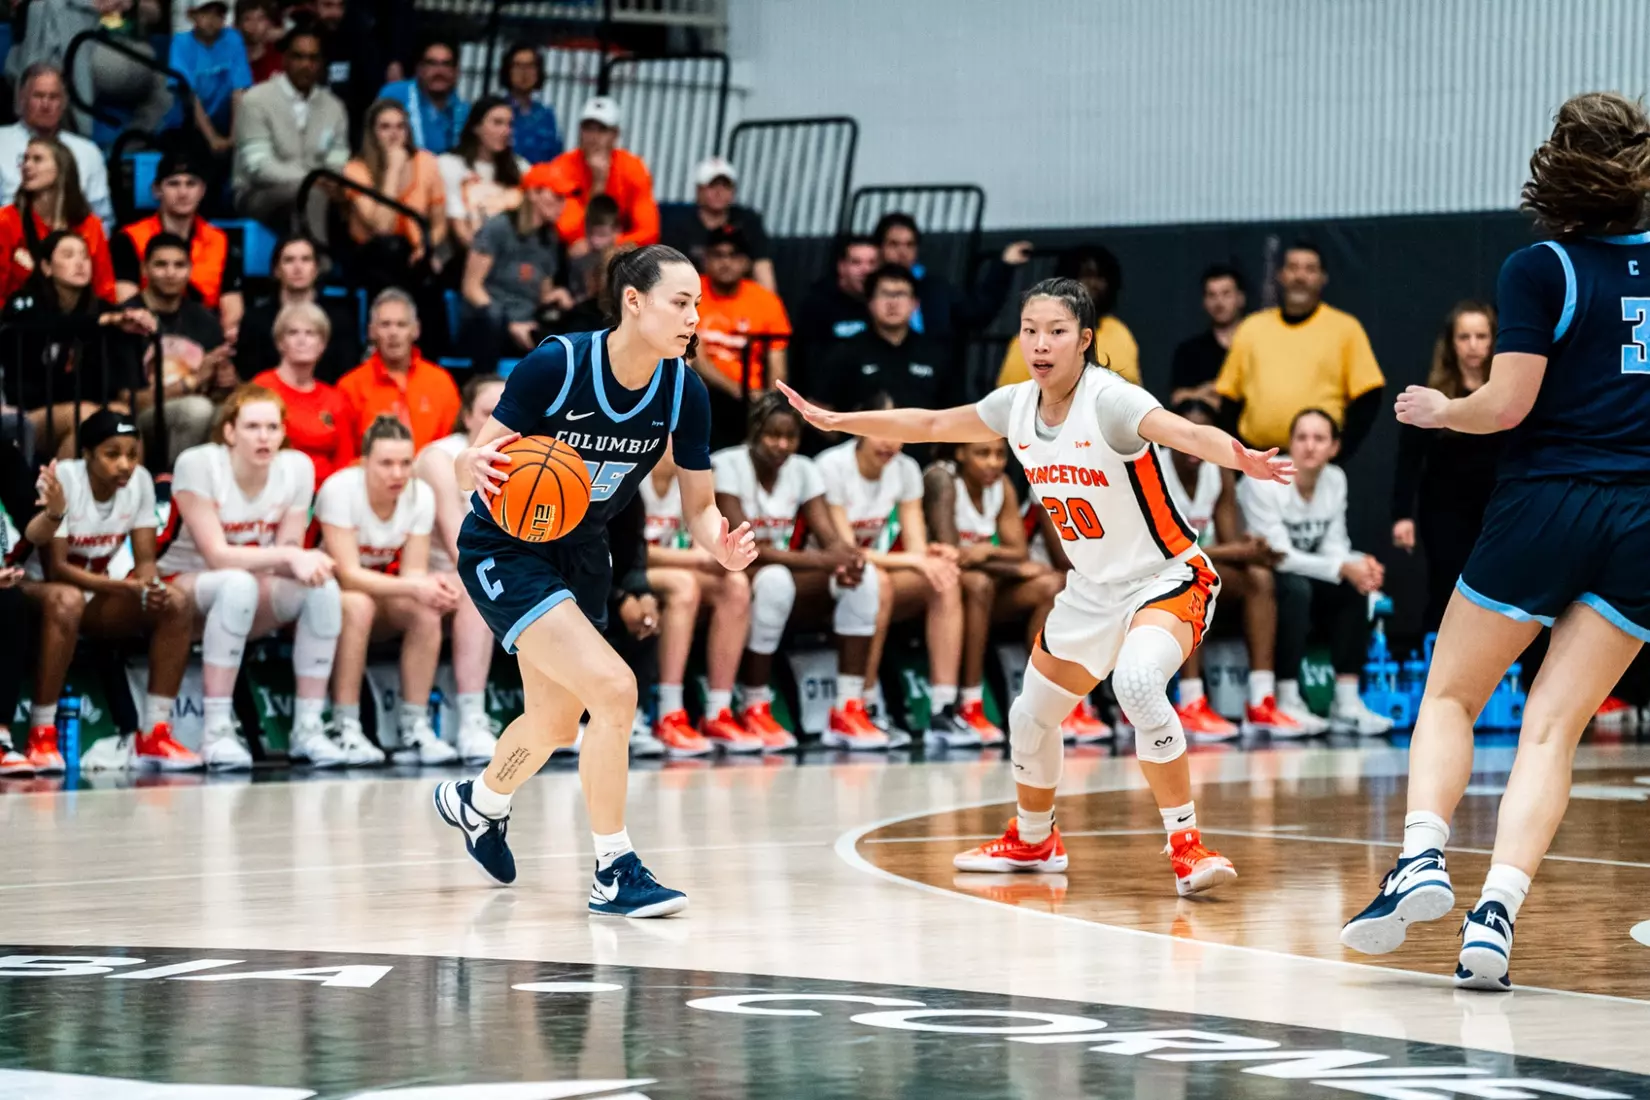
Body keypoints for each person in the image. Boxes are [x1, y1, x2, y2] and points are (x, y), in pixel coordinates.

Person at [779, 275, 1294, 895]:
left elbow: (1184, 432)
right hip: (1090, 592)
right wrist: (839, 419)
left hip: (1165, 578)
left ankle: (1186, 844)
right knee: (1029, 718)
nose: (1041, 344)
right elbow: (933, 423)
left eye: (1056, 332)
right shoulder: (1016, 405)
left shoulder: (1111, 400)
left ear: (1085, 339)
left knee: (1136, 683)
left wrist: (1241, 457)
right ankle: (1033, 839)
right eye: (1029, 331)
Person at [1341, 91, 1650, 989]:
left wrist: (1443, 410)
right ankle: (1495, 919)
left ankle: (1421, 858)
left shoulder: (1540, 267)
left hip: (1547, 503)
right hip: (1641, 519)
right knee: (1552, 729)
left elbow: (1507, 405)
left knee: (1449, 695)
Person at [436, 244, 756, 918]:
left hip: (582, 550)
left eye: (698, 305)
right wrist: (471, 464)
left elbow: (699, 507)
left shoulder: (684, 390)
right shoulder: (559, 364)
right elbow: (475, 462)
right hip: (507, 547)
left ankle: (480, 802)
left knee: (555, 721)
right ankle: (615, 868)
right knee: (614, 689)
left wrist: (719, 546)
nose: (694, 318)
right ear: (634, 302)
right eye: (681, 302)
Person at [156, 383, 347, 769]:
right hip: (179, 584)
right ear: (229, 432)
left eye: (273, 428)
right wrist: (292, 555)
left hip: (243, 589)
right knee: (237, 583)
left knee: (322, 587)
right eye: (252, 427)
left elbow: (288, 552)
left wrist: (305, 559)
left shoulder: (296, 468)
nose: (264, 437)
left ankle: (309, 729)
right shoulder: (199, 464)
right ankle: (216, 732)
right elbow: (217, 555)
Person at [27, 412, 197, 771]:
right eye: (112, 454)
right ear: (87, 454)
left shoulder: (140, 481)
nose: (125, 464)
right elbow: (58, 569)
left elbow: (146, 560)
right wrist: (126, 587)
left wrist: (149, 586)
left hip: (96, 593)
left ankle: (154, 733)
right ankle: (41, 733)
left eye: (132, 454)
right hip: (41, 591)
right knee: (67, 599)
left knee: (176, 602)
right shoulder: (64, 480)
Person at [711, 394, 879, 752]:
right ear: (754, 432)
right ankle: (754, 704)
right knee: (775, 581)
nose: (782, 445)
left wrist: (846, 560)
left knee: (865, 581)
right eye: (773, 435)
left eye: (790, 437)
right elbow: (744, 547)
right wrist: (824, 561)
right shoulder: (726, 464)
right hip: (736, 570)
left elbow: (828, 536)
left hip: (787, 570)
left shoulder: (803, 469)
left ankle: (848, 708)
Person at [816, 397, 968, 749]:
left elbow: (916, 547)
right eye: (880, 431)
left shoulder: (906, 469)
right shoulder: (831, 466)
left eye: (897, 432)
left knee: (944, 578)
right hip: (827, 574)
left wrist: (932, 556)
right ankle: (866, 706)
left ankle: (944, 709)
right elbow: (847, 553)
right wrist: (915, 561)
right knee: (877, 582)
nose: (890, 443)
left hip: (873, 572)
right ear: (860, 429)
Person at [1238, 409, 1393, 736]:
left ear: (1335, 447)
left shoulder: (1335, 480)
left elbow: (1334, 546)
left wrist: (1360, 565)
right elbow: (1277, 555)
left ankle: (1346, 703)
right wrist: (1343, 567)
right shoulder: (1263, 480)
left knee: (1354, 588)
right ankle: (1287, 698)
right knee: (1297, 589)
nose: (1309, 446)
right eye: (1302, 438)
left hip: (1304, 570)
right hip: (1256, 573)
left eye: (1319, 438)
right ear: (1290, 444)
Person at [321, 415, 464, 765]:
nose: (397, 474)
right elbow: (348, 576)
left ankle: (414, 727)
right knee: (358, 604)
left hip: (378, 595)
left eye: (405, 463)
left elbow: (413, 573)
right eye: (386, 463)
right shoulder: (339, 490)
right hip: (323, 600)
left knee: (425, 609)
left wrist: (426, 589)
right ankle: (345, 725)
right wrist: (416, 585)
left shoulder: (420, 495)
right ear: (364, 462)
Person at [1161, 398, 1301, 739]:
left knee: (1258, 578)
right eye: (1187, 434)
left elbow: (1227, 540)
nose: (1194, 444)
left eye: (1203, 435)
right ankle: (1190, 701)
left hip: (1201, 565)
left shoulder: (1217, 471)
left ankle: (1261, 701)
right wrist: (1236, 550)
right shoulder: (1154, 470)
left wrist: (1251, 550)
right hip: (1157, 571)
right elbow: (1162, 552)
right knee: (1191, 575)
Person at [923, 438, 1068, 745]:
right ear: (960, 452)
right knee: (978, 583)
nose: (993, 462)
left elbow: (1018, 550)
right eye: (982, 453)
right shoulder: (943, 480)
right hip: (939, 590)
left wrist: (985, 552)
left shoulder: (1002, 486)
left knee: (1052, 585)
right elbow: (952, 554)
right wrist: (1012, 566)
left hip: (987, 588)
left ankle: (1046, 700)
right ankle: (970, 704)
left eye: (1000, 454)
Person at [638, 444, 758, 753]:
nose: (682, 443)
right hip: (629, 569)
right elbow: (630, 549)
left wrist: (717, 553)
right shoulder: (632, 472)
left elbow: (704, 542)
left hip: (678, 566)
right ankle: (669, 712)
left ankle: (718, 711)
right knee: (684, 585)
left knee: (735, 585)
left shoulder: (695, 477)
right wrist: (696, 559)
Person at [1215, 241, 1386, 459]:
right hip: (1257, 460)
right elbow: (1229, 397)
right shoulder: (1251, 328)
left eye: (1309, 269)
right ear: (1280, 275)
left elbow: (1369, 395)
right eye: (1293, 267)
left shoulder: (1345, 329)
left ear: (1323, 278)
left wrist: (1339, 451)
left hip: (1318, 462)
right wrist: (1238, 456)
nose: (1300, 276)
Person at [1391, 301, 1503, 633]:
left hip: (1498, 507)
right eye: (1464, 337)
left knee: (1499, 586)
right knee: (1447, 586)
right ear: (1451, 343)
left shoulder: (1506, 395)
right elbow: (1409, 459)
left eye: (1481, 336)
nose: (1473, 345)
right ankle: (1439, 657)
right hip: (1444, 510)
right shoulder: (1433, 395)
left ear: (1494, 340)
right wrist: (1402, 515)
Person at [415, 373, 507, 759]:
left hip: (496, 570)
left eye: (505, 411)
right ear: (466, 416)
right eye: (487, 412)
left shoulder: (528, 455)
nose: (498, 421)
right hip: (436, 573)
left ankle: (555, 718)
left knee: (554, 589)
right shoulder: (440, 457)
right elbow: (460, 546)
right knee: (479, 586)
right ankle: (472, 720)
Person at [3, 231, 152, 459]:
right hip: (28, 412)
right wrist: (101, 322)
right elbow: (44, 326)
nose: (80, 263)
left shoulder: (103, 311)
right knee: (85, 416)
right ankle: (59, 482)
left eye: (84, 256)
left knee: (122, 416)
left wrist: (142, 323)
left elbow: (114, 376)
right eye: (68, 255)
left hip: (87, 405)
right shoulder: (24, 303)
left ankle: (130, 481)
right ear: (46, 267)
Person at [0, 449, 90, 774]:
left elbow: (32, 532)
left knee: (10, 602)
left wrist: (53, 512)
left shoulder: (5, 455)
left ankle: (14, 736)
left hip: (5, 579)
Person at [121, 232, 232, 466]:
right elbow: (129, 402)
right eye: (161, 265)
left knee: (234, 413)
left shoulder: (205, 320)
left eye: (179, 265)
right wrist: (193, 381)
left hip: (198, 412)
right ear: (144, 269)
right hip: (142, 422)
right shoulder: (126, 320)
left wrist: (227, 379)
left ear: (190, 270)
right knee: (197, 409)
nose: (171, 273)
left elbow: (220, 391)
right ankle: (173, 482)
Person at [113, 149, 245, 342]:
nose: (183, 193)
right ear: (157, 190)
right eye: (173, 184)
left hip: (205, 331)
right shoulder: (129, 238)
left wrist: (222, 340)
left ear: (202, 190)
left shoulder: (220, 240)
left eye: (191, 184)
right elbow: (126, 303)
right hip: (146, 335)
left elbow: (232, 304)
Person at [232, 28, 352, 230]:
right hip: (256, 192)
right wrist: (310, 180)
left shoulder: (334, 107)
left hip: (316, 189)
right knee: (311, 195)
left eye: (313, 58)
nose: (306, 65)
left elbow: (337, 161)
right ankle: (315, 251)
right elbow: (260, 167)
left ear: (321, 63)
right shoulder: (255, 100)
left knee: (354, 198)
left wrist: (331, 182)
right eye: (298, 57)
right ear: (284, 60)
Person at [459, 164, 575, 362]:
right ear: (533, 194)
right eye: (557, 196)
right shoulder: (499, 227)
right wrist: (509, 323)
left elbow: (542, 294)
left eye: (563, 198)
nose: (562, 204)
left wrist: (555, 295)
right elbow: (471, 287)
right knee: (491, 319)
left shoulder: (549, 238)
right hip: (490, 321)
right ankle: (484, 377)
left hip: (528, 323)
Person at [874, 212, 1031, 348]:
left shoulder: (935, 288)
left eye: (910, 245)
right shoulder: (866, 287)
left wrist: (1004, 266)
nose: (902, 252)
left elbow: (976, 313)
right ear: (879, 248)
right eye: (894, 244)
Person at [817, 264, 955, 417]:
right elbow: (819, 408)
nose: (893, 303)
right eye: (885, 294)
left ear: (915, 303)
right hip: (861, 432)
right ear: (870, 302)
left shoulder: (936, 354)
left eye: (900, 294)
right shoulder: (846, 352)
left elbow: (955, 412)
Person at [337, 289, 461, 449]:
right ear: (371, 331)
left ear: (416, 330)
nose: (393, 332)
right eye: (385, 324)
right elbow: (345, 454)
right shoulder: (350, 386)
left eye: (401, 324)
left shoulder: (441, 382)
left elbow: (453, 446)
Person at [998, 244, 1138, 387]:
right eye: (1086, 275)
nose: (1093, 284)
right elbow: (1013, 390)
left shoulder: (1118, 331)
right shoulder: (1036, 335)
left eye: (1100, 277)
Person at [252, 303, 356, 487]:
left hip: (326, 493)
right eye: (293, 333)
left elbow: (344, 461)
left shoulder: (335, 399)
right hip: (275, 488)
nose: (302, 340)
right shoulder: (262, 388)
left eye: (310, 333)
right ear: (280, 343)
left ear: (322, 345)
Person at [0, 136, 115, 303]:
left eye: (37, 159)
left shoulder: (90, 225)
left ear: (62, 167)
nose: (27, 166)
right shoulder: (5, 221)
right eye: (25, 159)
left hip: (78, 316)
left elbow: (104, 290)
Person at [342, 98, 448, 277]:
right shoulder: (355, 170)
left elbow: (439, 224)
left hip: (417, 248)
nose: (394, 134)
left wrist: (425, 247)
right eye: (385, 127)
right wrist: (393, 170)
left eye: (400, 127)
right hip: (372, 253)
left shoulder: (427, 162)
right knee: (392, 248)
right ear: (372, 133)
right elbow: (383, 229)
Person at [0, 64, 114, 228]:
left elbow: (102, 218)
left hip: (73, 239)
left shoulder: (88, 152)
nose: (46, 104)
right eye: (38, 96)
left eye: (53, 97)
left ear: (64, 102)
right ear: (22, 98)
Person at [237, 235, 362, 384]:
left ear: (316, 269)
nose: (298, 268)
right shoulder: (254, 320)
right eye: (289, 260)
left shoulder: (340, 319)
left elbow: (348, 373)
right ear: (276, 270)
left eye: (306, 259)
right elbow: (249, 376)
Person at [545, 97, 659, 249]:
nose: (594, 136)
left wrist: (610, 245)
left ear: (615, 134)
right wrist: (598, 184)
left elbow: (649, 232)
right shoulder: (563, 166)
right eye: (588, 128)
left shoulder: (633, 167)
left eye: (602, 130)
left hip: (619, 248)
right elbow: (567, 230)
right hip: (575, 251)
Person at [692, 225, 791, 399]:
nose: (726, 263)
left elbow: (777, 368)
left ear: (746, 263)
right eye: (718, 255)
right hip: (702, 391)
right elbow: (697, 361)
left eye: (734, 255)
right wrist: (740, 393)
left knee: (782, 416)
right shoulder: (689, 292)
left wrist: (770, 402)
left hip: (753, 394)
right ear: (705, 260)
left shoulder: (767, 301)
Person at [660, 157, 776, 292]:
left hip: (738, 295)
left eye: (726, 186)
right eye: (712, 186)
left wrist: (769, 301)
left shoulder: (748, 221)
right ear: (699, 190)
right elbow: (669, 272)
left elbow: (762, 267)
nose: (719, 192)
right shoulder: (678, 224)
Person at [790, 234, 878, 402]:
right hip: (825, 398)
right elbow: (806, 364)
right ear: (841, 267)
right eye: (856, 262)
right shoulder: (818, 304)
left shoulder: (886, 304)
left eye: (872, 263)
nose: (866, 270)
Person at [439, 96, 530, 252]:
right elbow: (458, 227)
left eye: (509, 124)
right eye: (497, 123)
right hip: (462, 252)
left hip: (511, 254)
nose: (505, 131)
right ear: (476, 127)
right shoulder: (449, 164)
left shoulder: (522, 167)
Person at [169, 1, 253, 161]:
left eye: (218, 14)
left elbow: (239, 91)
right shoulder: (181, 42)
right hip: (189, 126)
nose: (212, 19)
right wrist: (212, 138)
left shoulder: (233, 38)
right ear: (192, 15)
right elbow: (190, 95)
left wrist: (234, 138)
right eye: (205, 13)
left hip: (227, 123)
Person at [1170, 264, 1246, 406]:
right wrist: (1203, 394)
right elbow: (1177, 398)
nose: (1219, 302)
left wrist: (1215, 389)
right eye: (1212, 295)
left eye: (1226, 294)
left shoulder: (1255, 347)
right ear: (1204, 302)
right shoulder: (1190, 351)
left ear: (1241, 298)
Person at [376, 39, 468, 156]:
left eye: (446, 64)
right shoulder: (395, 94)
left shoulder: (463, 109)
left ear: (456, 71)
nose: (439, 71)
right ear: (419, 69)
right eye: (432, 63)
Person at [499, 44, 562, 166]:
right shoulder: (497, 111)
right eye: (518, 66)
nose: (524, 72)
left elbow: (556, 157)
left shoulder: (546, 116)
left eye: (530, 66)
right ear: (508, 70)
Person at [237, 0, 285, 84]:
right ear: (238, 25)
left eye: (260, 19)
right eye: (247, 19)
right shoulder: (230, 61)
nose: (254, 25)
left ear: (269, 23)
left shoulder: (280, 60)